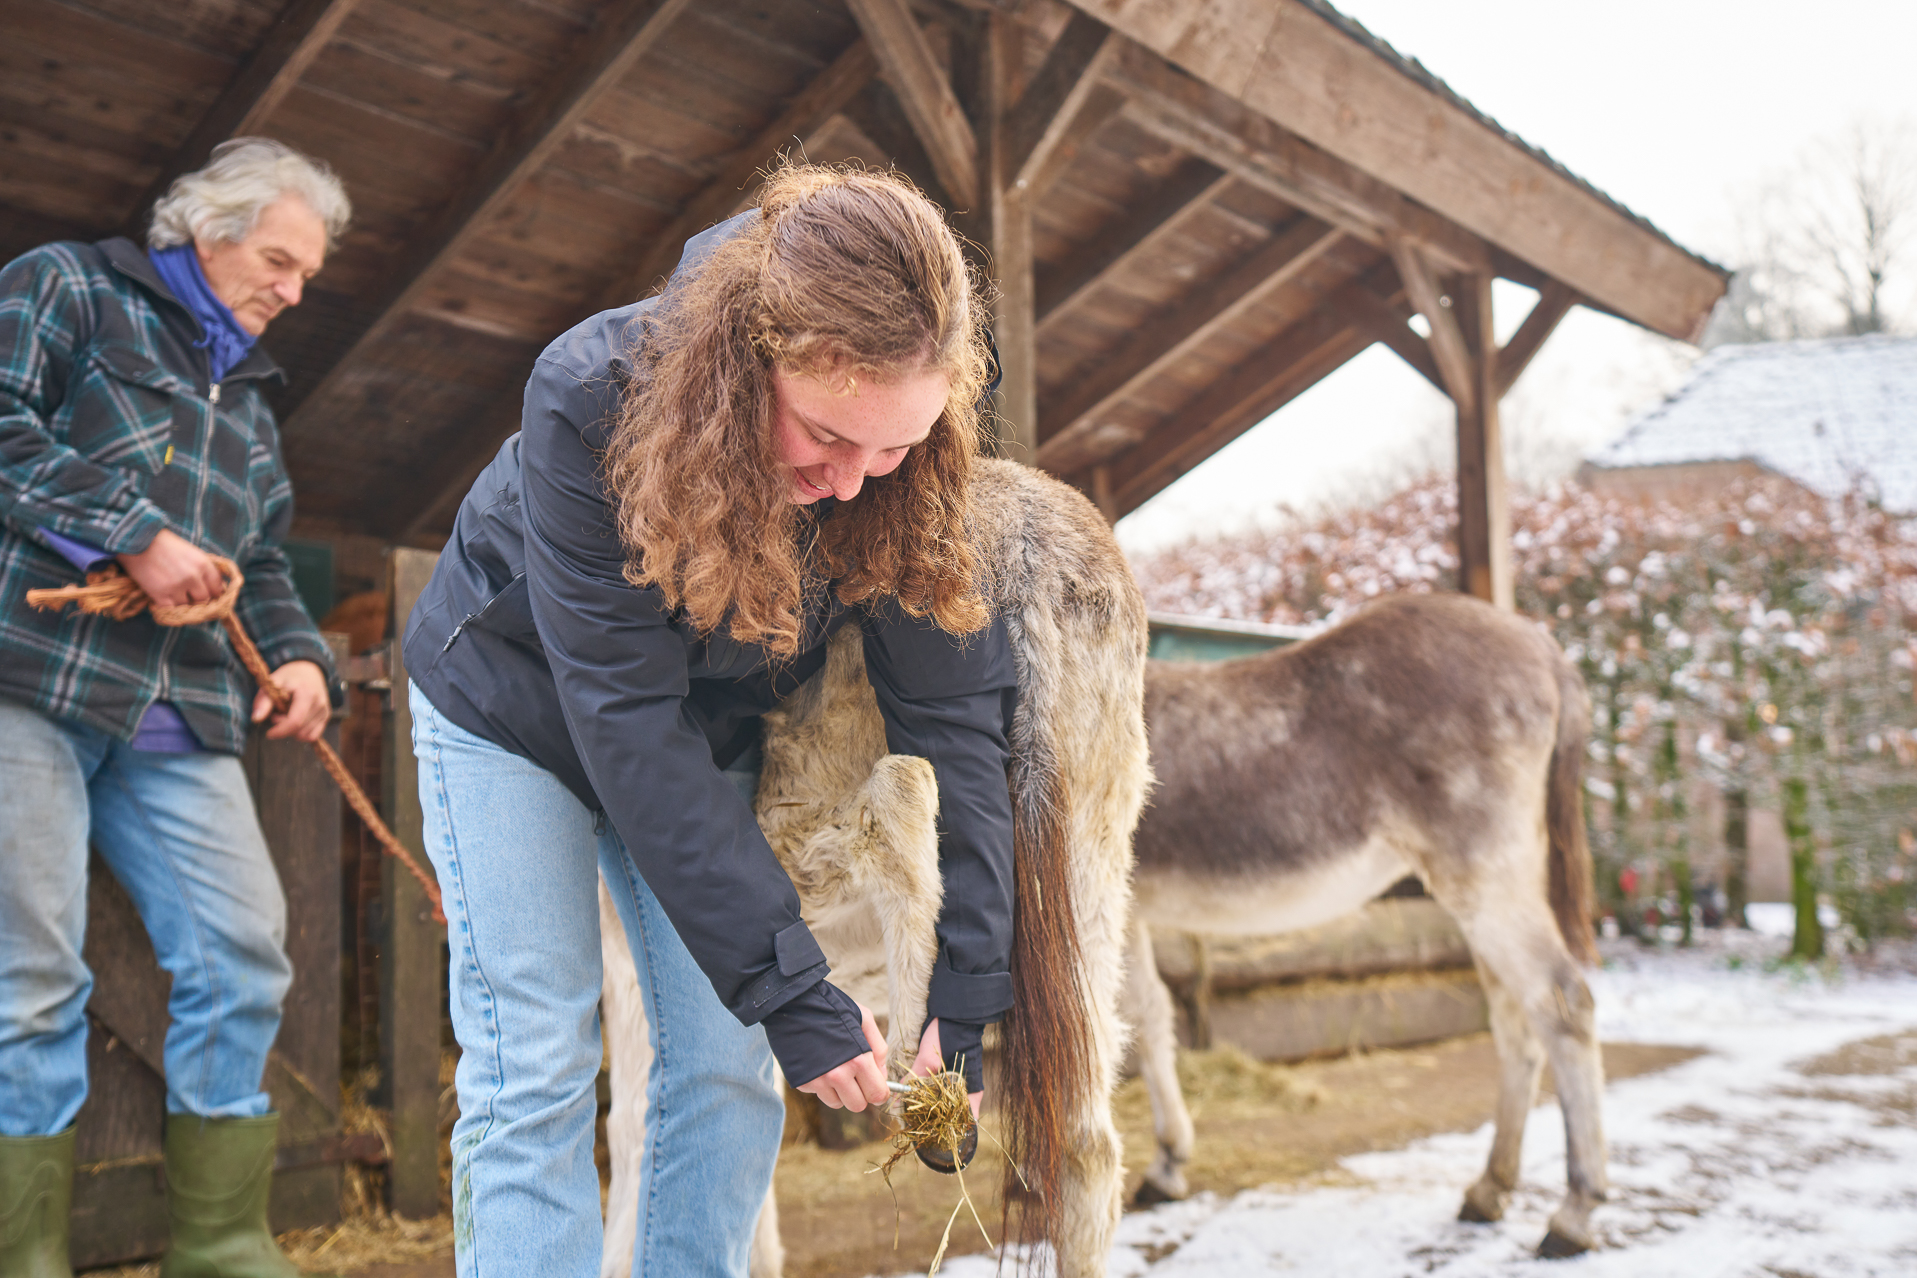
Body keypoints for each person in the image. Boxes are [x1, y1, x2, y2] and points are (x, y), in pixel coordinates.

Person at [402, 163, 1017, 1275]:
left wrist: (968, 985)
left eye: (893, 449)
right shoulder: (590, 393)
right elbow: (622, 715)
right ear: (755, 361)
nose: (850, 483)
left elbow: (957, 713)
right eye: (828, 439)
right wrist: (790, 981)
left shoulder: (894, 473)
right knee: (536, 1059)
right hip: (513, 704)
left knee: (728, 1063)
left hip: (704, 722)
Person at [0, 138, 350, 1277]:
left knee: (245, 952)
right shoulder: (66, 288)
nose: (295, 294)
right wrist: (134, 535)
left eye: (307, 276)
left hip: (180, 715)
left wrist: (303, 666)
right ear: (211, 231)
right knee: (33, 978)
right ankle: (30, 1253)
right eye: (282, 262)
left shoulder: (249, 402)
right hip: (30, 682)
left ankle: (219, 1243)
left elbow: (265, 562)